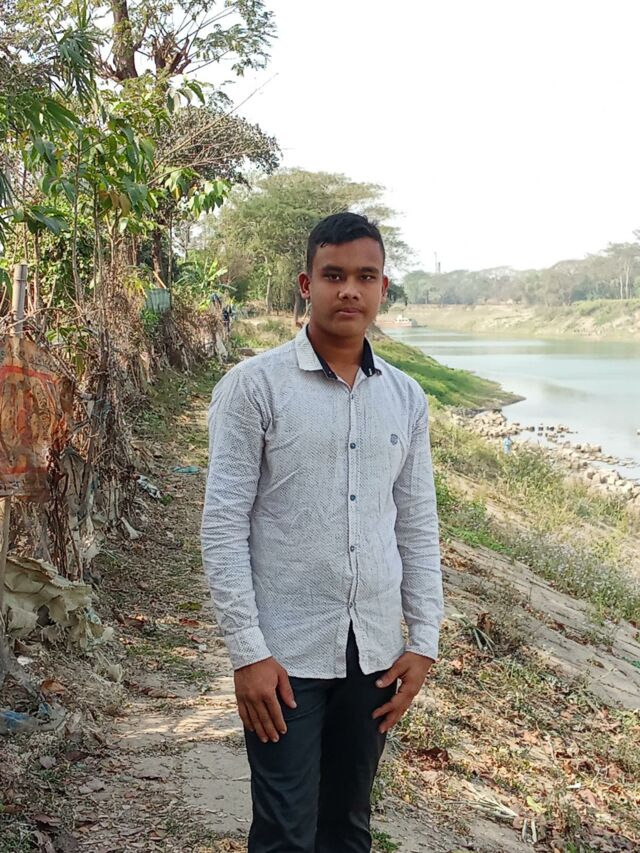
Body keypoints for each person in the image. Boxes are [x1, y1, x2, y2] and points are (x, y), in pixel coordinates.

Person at [201, 212, 443, 853]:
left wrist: (424, 641)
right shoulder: (253, 388)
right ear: (307, 285)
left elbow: (417, 523)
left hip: (375, 653)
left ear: (383, 287)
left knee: (348, 824)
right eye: (334, 276)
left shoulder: (406, 398)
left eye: (365, 276)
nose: (350, 291)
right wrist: (247, 653)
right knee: (284, 831)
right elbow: (222, 524)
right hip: (285, 655)